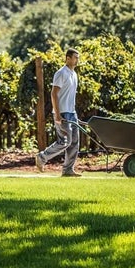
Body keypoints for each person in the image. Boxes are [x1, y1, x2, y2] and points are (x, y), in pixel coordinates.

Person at [35, 48, 82, 177]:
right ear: (68, 58)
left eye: (78, 58)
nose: (77, 60)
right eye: (75, 57)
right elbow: (54, 93)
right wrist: (57, 114)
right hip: (62, 112)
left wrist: (74, 113)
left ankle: (68, 170)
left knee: (74, 142)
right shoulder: (61, 73)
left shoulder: (74, 74)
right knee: (65, 142)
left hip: (72, 113)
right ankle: (42, 157)